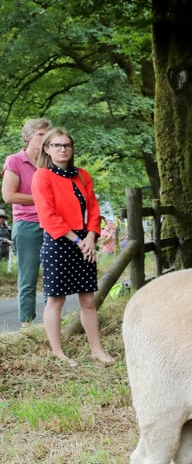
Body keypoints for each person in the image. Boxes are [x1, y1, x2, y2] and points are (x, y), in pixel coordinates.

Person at [30, 127, 114, 365]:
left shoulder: (82, 175)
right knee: (56, 299)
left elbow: (93, 208)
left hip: (84, 241)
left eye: (66, 145)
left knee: (88, 300)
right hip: (59, 241)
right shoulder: (43, 176)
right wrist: (77, 240)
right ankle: (58, 352)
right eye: (57, 145)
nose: (62, 149)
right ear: (47, 149)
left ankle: (96, 350)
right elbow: (48, 214)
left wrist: (90, 237)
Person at [2, 118, 50, 327]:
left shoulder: (51, 161)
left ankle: (52, 323)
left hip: (52, 224)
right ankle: (27, 325)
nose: (44, 138)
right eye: (40, 134)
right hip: (27, 225)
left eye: (47, 134)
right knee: (28, 278)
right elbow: (9, 195)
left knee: (53, 277)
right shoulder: (14, 160)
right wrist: (42, 198)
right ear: (28, 137)